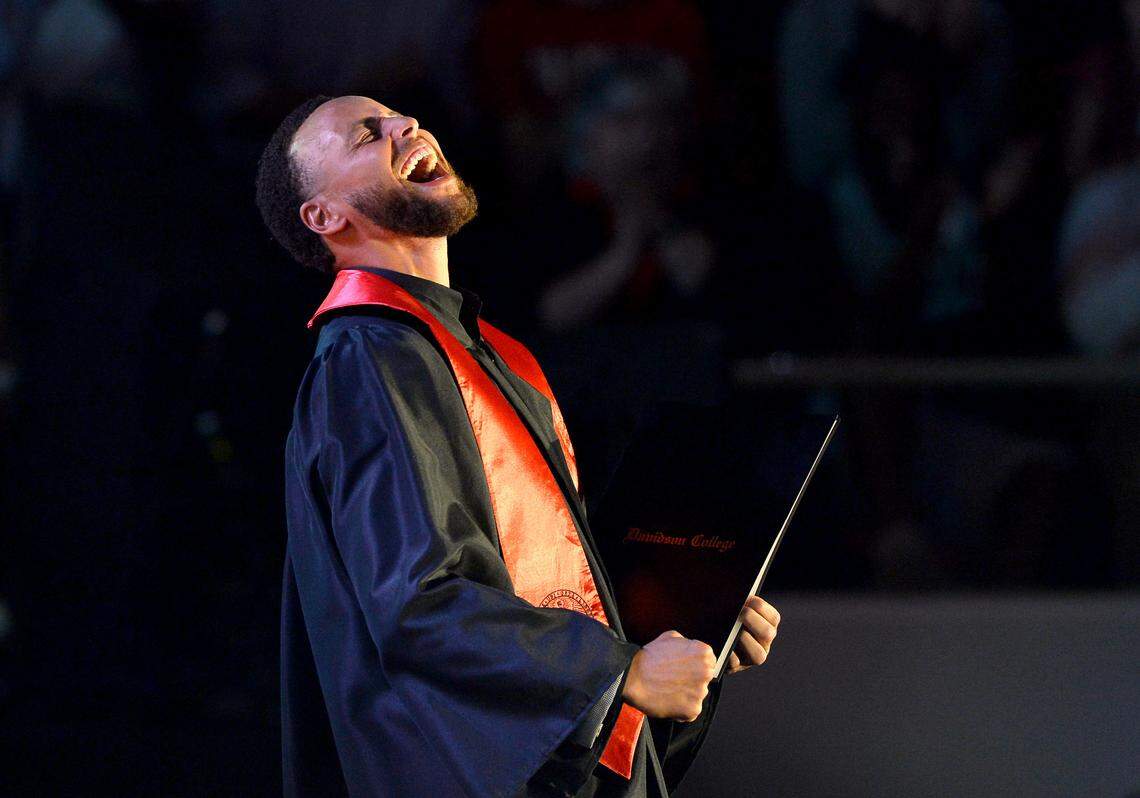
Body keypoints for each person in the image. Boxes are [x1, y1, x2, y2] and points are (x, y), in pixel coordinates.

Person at [255, 95, 782, 797]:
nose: (405, 126)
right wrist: (619, 671)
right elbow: (417, 604)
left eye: (399, 117)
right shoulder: (369, 357)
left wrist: (685, 626)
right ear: (324, 217)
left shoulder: (483, 354)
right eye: (365, 134)